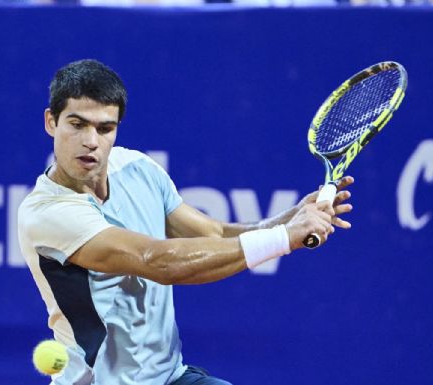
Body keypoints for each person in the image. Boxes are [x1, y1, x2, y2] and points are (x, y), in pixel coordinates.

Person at [18, 59, 354, 385]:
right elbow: (158, 261)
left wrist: (291, 217)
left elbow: (213, 233)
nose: (91, 141)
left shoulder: (138, 169)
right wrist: (286, 237)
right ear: (51, 122)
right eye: (77, 124)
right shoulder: (47, 213)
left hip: (171, 377)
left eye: (105, 128)